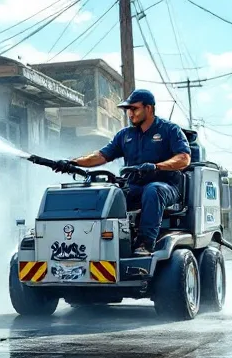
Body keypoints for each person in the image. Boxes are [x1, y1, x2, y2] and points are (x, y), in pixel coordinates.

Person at [55, 89, 191, 256]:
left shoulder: (169, 130)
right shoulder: (125, 135)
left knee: (152, 190)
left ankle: (145, 243)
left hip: (166, 186)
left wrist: (157, 166)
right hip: (134, 186)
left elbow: (184, 158)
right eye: (128, 110)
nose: (130, 114)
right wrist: (73, 162)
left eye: (134, 109)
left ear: (148, 109)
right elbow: (101, 155)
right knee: (109, 193)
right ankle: (90, 242)